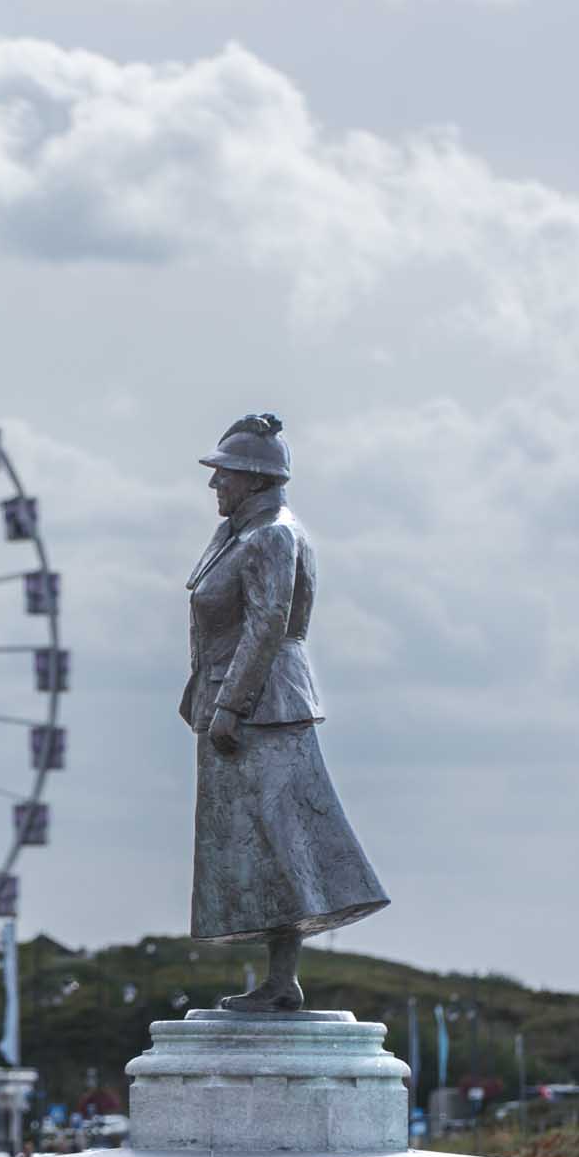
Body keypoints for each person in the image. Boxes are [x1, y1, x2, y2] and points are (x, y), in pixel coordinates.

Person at [180, 412, 388, 1011]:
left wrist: (230, 706)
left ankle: (282, 981)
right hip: (234, 700)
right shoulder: (237, 534)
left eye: (224, 473)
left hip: (263, 707)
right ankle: (279, 980)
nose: (214, 483)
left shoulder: (272, 535)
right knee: (255, 842)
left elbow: (268, 624)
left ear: (254, 478)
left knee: (279, 840)